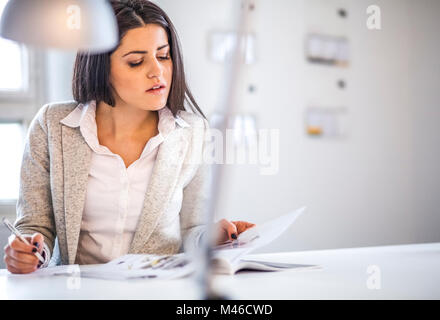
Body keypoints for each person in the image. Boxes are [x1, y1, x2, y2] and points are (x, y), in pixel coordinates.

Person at [3, 0, 254, 274]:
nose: (157, 71)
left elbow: (192, 229)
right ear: (102, 69)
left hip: (159, 290)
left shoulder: (193, 132)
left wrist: (213, 237)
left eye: (164, 55)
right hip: (76, 292)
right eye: (136, 62)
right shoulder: (52, 125)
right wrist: (27, 249)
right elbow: (34, 226)